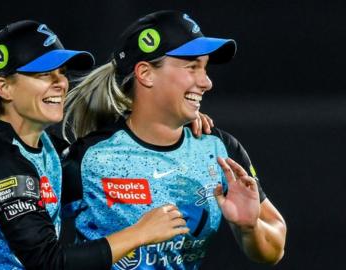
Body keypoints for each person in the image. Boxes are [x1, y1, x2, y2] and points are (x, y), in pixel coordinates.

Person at [0, 19, 191, 270]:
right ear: (5, 88)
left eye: (61, 72)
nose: (61, 83)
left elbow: (103, 153)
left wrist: (180, 121)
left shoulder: (32, 141)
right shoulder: (5, 164)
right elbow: (49, 263)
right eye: (44, 74)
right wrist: (140, 234)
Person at [61, 10, 287, 270]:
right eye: (192, 67)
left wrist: (250, 228)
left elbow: (274, 249)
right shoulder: (90, 158)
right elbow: (34, 252)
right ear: (145, 73)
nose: (207, 82)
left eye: (205, 68)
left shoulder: (218, 149)